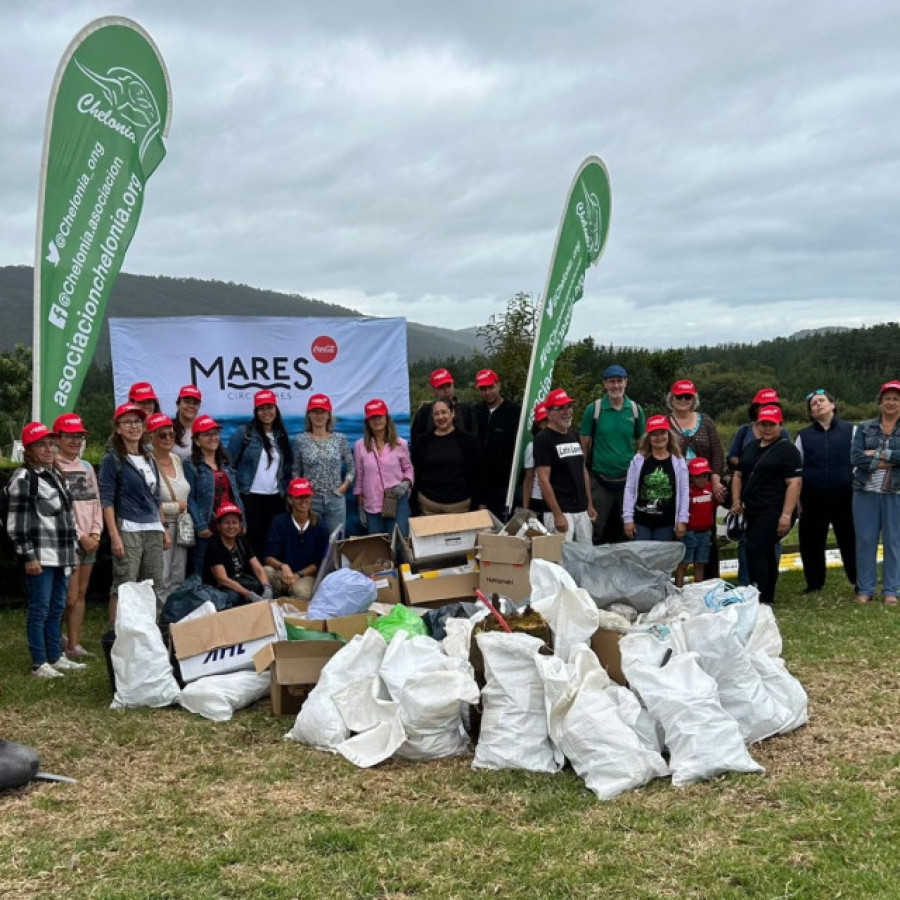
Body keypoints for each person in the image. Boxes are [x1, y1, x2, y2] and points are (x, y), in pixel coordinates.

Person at [6, 422, 83, 679]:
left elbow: (67, 519)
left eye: (51, 443)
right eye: (42, 444)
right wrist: (28, 555)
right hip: (40, 556)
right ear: (29, 449)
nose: (49, 448)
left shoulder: (55, 474)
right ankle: (39, 663)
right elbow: (16, 524)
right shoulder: (24, 478)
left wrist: (72, 553)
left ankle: (55, 656)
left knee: (56, 608)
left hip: (61, 555)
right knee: (40, 609)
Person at [99, 404, 169, 627]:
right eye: (127, 422)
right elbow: (107, 500)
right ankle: (116, 632)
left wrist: (163, 528)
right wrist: (114, 535)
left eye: (137, 422)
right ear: (118, 428)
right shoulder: (112, 459)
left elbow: (156, 498)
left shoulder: (150, 458)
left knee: (155, 583)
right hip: (127, 527)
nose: (133, 426)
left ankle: (152, 631)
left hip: (153, 528)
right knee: (124, 583)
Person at [730, 405, 802, 605]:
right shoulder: (750, 447)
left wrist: (786, 515)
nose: (767, 428)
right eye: (763, 424)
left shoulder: (788, 450)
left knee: (755, 549)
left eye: (772, 424)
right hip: (752, 508)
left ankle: (759, 594)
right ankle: (767, 595)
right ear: (758, 424)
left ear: (780, 425)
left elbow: (794, 483)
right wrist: (736, 499)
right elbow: (738, 474)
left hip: (775, 509)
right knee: (767, 550)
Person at [727, 388, 791, 586]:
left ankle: (768, 584)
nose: (766, 409)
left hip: (773, 494)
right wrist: (753, 462)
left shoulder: (784, 433)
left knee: (772, 540)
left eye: (771, 406)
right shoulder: (744, 431)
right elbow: (732, 458)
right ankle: (746, 582)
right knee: (745, 538)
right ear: (755, 408)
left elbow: (788, 463)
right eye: (763, 405)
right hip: (746, 491)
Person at [795, 389, 857, 594]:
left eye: (822, 401)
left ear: (832, 405)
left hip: (846, 496)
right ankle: (814, 583)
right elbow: (797, 468)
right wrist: (798, 498)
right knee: (811, 542)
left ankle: (859, 581)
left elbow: (858, 462)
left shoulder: (852, 430)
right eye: (813, 404)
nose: (818, 405)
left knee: (851, 540)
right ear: (811, 413)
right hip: (813, 497)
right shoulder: (803, 436)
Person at [52, 413, 102, 660]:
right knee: (68, 597)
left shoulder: (86, 467)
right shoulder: (54, 466)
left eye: (79, 436)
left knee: (81, 593)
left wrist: (96, 532)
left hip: (90, 540)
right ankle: (50, 635)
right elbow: (60, 509)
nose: (75, 441)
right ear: (58, 438)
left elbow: (96, 502)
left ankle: (74, 644)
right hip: (68, 541)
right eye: (70, 436)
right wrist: (81, 535)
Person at [579, 364, 646, 544]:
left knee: (627, 528)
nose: (616, 386)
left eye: (620, 381)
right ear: (605, 384)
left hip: (627, 480)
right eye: (612, 382)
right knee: (595, 527)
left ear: (626, 382)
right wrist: (583, 475)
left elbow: (643, 444)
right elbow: (584, 444)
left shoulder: (635, 410)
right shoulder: (594, 409)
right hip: (600, 480)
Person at [850, 380, 900, 606]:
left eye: (896, 399)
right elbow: (856, 458)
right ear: (880, 402)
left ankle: (891, 589)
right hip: (865, 492)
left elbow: (868, 457)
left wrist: (878, 454)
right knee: (865, 540)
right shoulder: (864, 427)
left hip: (895, 493)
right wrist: (892, 460)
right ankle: (866, 588)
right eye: (887, 398)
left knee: (894, 541)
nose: (891, 402)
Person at [228, 390, 293, 557]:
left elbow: (287, 468)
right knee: (252, 542)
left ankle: (272, 577)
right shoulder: (244, 433)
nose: (266, 412)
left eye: (269, 407)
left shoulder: (281, 436)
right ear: (255, 412)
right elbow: (228, 465)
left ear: (276, 409)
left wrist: (285, 491)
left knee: (274, 542)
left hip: (275, 498)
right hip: (249, 496)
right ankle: (256, 579)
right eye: (261, 408)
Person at [534, 388, 597, 543]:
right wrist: (557, 514)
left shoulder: (574, 434)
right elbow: (543, 479)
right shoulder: (543, 439)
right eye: (560, 408)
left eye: (569, 407)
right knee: (561, 561)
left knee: (585, 557)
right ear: (549, 414)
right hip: (561, 512)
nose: (567, 412)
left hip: (581, 510)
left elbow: (583, 472)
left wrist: (589, 504)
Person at [185, 414, 242, 578]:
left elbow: (234, 493)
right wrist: (200, 524)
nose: (213, 438)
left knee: (228, 569)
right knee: (200, 569)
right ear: (196, 440)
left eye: (215, 433)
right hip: (207, 527)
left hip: (227, 526)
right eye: (207, 434)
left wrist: (241, 519)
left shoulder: (225, 462)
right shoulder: (191, 465)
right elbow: (189, 497)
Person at [292, 393, 354, 537]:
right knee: (310, 539)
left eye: (322, 412)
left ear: (328, 415)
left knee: (336, 540)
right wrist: (301, 494)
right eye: (315, 412)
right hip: (310, 500)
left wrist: (344, 487)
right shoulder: (301, 440)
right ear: (309, 415)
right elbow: (296, 471)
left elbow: (351, 468)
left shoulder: (340, 439)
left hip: (335, 499)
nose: (319, 416)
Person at [353, 398, 414, 537]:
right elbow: (360, 477)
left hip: (396, 500)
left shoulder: (401, 444)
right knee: (378, 546)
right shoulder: (359, 446)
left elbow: (408, 469)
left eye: (379, 416)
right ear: (367, 421)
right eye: (372, 417)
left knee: (398, 543)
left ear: (386, 418)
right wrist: (360, 506)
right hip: (372, 504)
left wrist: (405, 483)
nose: (376, 420)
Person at [411, 398, 483, 514]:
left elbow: (479, 472)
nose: (440, 417)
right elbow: (415, 470)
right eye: (436, 414)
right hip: (428, 506)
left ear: (452, 413)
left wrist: (480, 501)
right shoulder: (422, 441)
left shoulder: (469, 441)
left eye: (444, 412)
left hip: (459, 506)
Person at [623, 415, 689, 542]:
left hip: (666, 523)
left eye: (662, 433)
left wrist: (682, 519)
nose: (659, 438)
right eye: (654, 434)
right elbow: (630, 489)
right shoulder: (638, 460)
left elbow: (684, 492)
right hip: (641, 522)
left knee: (663, 560)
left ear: (669, 435)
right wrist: (628, 519)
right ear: (648, 438)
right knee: (641, 558)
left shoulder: (678, 462)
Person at [263, 478, 330, 601]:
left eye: (307, 496)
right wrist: (283, 566)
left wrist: (298, 575)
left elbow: (320, 562)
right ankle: (279, 598)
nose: (303, 501)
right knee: (266, 571)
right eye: (299, 497)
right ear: (290, 500)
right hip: (283, 573)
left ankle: (290, 601)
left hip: (306, 576)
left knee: (302, 592)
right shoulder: (279, 522)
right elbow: (268, 556)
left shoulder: (320, 525)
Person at [148, 413, 191, 603]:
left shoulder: (176, 459)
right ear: (151, 437)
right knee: (161, 577)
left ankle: (174, 616)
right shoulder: (147, 462)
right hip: (161, 525)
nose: (168, 439)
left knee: (178, 575)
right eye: (162, 435)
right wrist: (175, 507)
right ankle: (159, 619)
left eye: (171, 435)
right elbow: (147, 502)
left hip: (181, 526)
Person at [473, 369, 521, 520]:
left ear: (498, 385)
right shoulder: (474, 411)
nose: (487, 392)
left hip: (504, 485)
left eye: (490, 387)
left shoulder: (514, 411)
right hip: (478, 483)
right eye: (483, 389)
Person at [203, 503, 273, 606]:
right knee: (233, 597)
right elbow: (222, 579)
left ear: (240, 526)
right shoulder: (214, 545)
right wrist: (248, 594)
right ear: (218, 526)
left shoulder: (242, 542)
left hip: (240, 582)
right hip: (221, 588)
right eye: (226, 522)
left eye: (234, 522)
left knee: (261, 587)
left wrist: (267, 587)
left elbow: (258, 568)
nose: (231, 526)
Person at [410, 367, 478, 446]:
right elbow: (416, 442)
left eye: (448, 386)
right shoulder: (424, 412)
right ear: (433, 390)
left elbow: (475, 441)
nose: (446, 390)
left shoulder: (467, 411)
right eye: (441, 387)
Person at [675, 457, 715, 588]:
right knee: (683, 563)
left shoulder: (711, 488)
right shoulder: (688, 491)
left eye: (704, 476)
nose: (701, 480)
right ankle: (678, 590)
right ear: (691, 476)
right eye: (698, 476)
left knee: (700, 562)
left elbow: (716, 503)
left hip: (705, 532)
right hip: (689, 532)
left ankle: (697, 589)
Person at [522, 402, 549, 516]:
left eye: (548, 420)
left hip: (560, 499)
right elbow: (528, 480)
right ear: (538, 424)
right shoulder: (532, 447)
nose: (547, 424)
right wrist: (525, 510)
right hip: (538, 500)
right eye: (544, 421)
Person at [172, 384, 202, 462]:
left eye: (195, 403)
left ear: (199, 406)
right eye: (187, 402)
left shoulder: (205, 429)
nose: (191, 406)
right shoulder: (168, 429)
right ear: (178, 404)